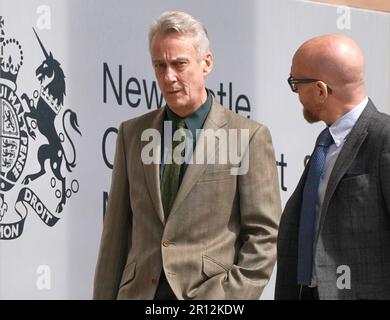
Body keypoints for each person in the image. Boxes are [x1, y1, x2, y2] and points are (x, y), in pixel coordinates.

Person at [93, 11, 281, 300]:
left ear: (206, 63)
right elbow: (114, 236)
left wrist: (226, 299)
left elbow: (264, 237)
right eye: (160, 65)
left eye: (179, 64)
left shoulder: (249, 137)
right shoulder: (131, 133)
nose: (168, 76)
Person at [275, 34, 390, 300]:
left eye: (295, 83)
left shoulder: (383, 137)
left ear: (320, 90)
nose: (295, 93)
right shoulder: (326, 143)